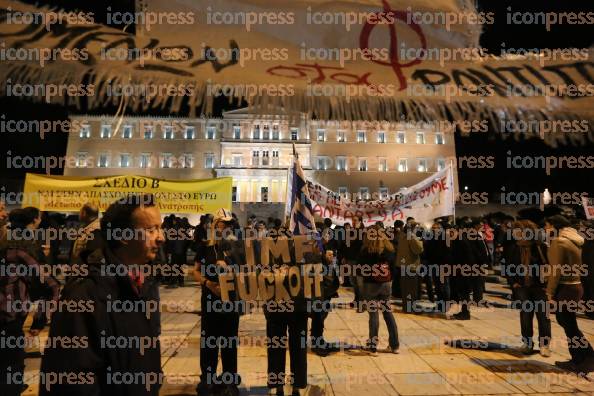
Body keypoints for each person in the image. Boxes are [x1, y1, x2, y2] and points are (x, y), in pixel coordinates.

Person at [40, 194, 165, 395]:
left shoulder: (141, 283)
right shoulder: (84, 298)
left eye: (160, 228)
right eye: (151, 230)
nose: (161, 237)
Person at [0, 209, 60, 396]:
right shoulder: (18, 243)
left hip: (9, 319)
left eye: (4, 208)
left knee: (10, 369)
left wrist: (40, 319)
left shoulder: (17, 245)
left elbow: (49, 285)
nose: (5, 213)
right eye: (1, 208)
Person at [194, 208, 243, 396]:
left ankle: (230, 380)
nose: (226, 228)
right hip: (209, 301)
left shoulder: (237, 247)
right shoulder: (206, 247)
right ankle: (208, 379)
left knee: (229, 342)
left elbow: (246, 272)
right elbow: (196, 271)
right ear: (215, 225)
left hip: (231, 303)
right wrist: (207, 282)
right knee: (209, 342)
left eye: (229, 224)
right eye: (222, 224)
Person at [545, 215, 594, 374]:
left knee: (569, 324)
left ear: (554, 226)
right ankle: (580, 358)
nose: (546, 229)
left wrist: (549, 293)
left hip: (565, 288)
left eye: (547, 226)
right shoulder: (576, 239)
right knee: (568, 323)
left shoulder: (559, 241)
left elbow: (555, 270)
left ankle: (587, 358)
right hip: (575, 286)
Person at [506, 220, 551, 357]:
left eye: (518, 230)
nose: (515, 233)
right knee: (525, 316)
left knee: (543, 316)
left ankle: (544, 345)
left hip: (540, 287)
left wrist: (548, 286)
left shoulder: (540, 247)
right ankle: (527, 343)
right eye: (514, 231)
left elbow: (550, 266)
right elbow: (508, 267)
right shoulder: (514, 247)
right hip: (521, 287)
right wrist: (513, 283)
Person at [358, 224, 398, 355]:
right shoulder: (390, 249)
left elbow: (360, 270)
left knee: (373, 315)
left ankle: (373, 347)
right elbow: (393, 268)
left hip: (370, 284)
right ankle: (394, 345)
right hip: (386, 283)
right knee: (388, 313)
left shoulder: (365, 250)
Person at [309, 248, 340, 356]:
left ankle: (319, 341)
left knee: (320, 319)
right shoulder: (314, 257)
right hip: (319, 294)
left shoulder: (320, 256)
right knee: (318, 318)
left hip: (324, 293)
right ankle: (317, 345)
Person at [395, 219, 424, 313]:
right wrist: (420, 241)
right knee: (412, 289)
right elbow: (418, 250)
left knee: (405, 289)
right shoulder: (411, 237)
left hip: (403, 265)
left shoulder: (401, 236)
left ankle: (406, 307)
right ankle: (411, 308)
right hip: (411, 266)